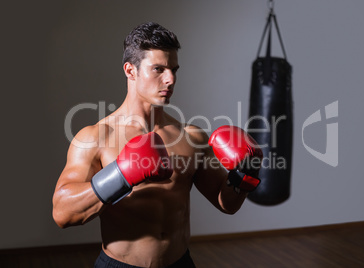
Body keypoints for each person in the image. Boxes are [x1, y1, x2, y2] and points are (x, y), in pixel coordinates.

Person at [52, 22, 262, 268]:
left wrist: (244, 174)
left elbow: (227, 204)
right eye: (158, 69)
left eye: (174, 69)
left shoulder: (191, 136)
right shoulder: (96, 137)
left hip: (180, 263)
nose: (170, 79)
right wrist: (122, 174)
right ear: (130, 71)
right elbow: (62, 214)